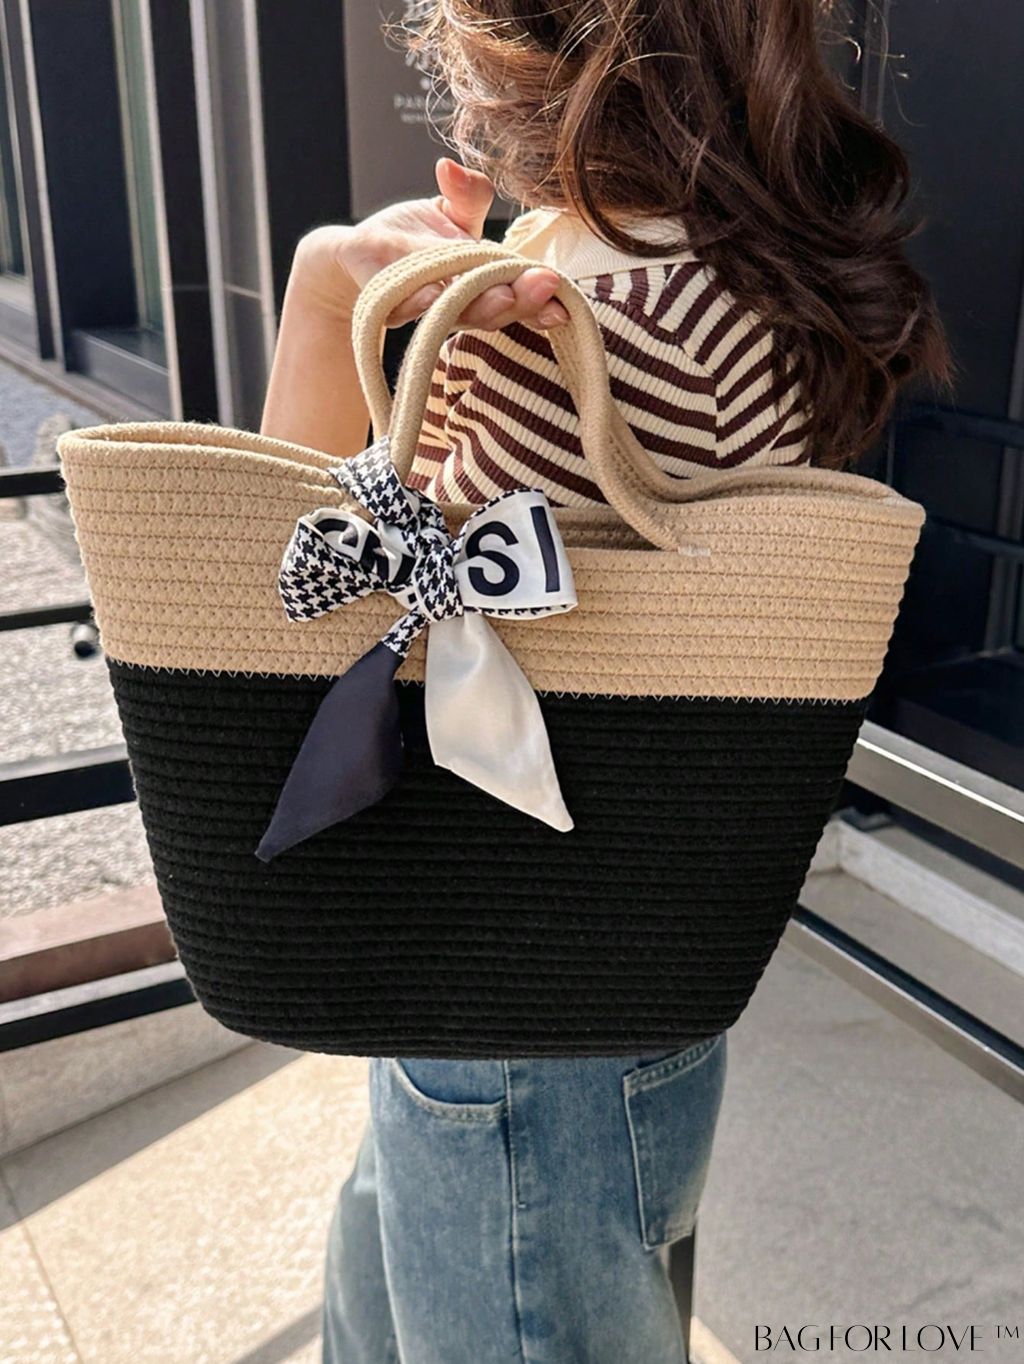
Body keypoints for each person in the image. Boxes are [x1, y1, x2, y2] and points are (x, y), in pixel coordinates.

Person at [260, 4, 949, 1360]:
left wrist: (328, 291)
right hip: (626, 952)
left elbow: (296, 594)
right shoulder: (739, 282)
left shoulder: (579, 325)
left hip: (504, 989)